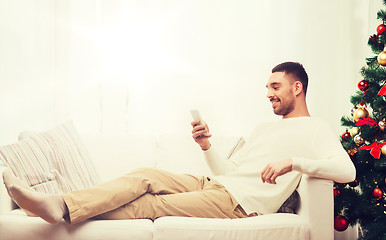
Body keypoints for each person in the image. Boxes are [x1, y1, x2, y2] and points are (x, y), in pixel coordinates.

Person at [2, 62, 356, 225]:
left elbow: (346, 170)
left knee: (151, 205)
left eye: (275, 87)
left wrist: (294, 162)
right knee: (144, 175)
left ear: (297, 88)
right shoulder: (265, 127)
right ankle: (58, 205)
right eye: (267, 88)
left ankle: (56, 209)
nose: (268, 94)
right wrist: (206, 146)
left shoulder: (316, 129)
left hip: (238, 205)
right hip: (217, 185)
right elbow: (231, 172)